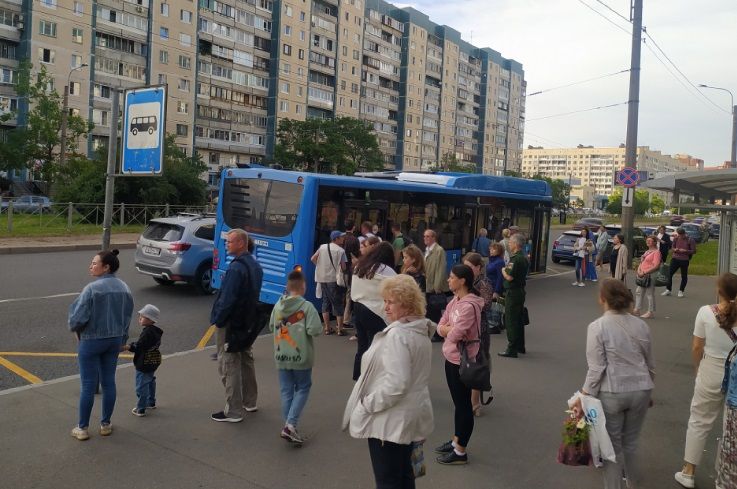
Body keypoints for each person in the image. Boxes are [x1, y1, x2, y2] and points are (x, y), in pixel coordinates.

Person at [342, 274, 434, 489]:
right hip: (410, 416)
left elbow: (397, 384)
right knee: (404, 475)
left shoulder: (398, 336)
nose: (386, 307)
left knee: (388, 481)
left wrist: (367, 403)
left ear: (407, 303)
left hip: (389, 423)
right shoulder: (420, 330)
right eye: (384, 301)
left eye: (390, 301)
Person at [575, 278, 655, 489]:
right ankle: (633, 484)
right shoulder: (642, 325)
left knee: (612, 448)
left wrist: (583, 396)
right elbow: (650, 364)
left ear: (602, 299)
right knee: (630, 444)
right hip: (641, 388)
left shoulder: (597, 327)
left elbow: (596, 368)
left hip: (612, 391)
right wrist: (649, 391)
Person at [676, 273, 737, 488]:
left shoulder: (705, 312)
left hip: (711, 367)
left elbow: (696, 347)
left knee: (699, 420)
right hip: (736, 374)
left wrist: (697, 367)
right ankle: (727, 475)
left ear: (719, 291)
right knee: (732, 429)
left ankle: (689, 471)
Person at [68, 249, 134, 440]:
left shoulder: (92, 288)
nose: (91, 266)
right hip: (114, 340)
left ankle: (82, 428)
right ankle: (105, 424)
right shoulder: (124, 287)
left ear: (106, 267)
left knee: (88, 385)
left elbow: (77, 318)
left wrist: (76, 330)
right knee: (109, 381)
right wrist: (122, 339)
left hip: (91, 340)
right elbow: (127, 317)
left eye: (95, 263)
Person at [210, 228, 264, 423]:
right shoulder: (255, 265)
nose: (226, 245)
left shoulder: (235, 268)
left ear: (241, 243)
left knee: (229, 362)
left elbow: (227, 299)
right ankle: (250, 401)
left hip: (232, 322)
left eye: (229, 242)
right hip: (248, 320)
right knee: (246, 358)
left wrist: (218, 318)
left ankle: (232, 410)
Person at [435, 264, 485, 465]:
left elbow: (455, 334)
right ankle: (457, 440)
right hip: (452, 358)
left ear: (462, 280)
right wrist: (446, 329)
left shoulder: (469, 306)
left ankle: (460, 451)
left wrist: (447, 330)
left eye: (451, 277)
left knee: (463, 405)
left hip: (462, 362)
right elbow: (440, 325)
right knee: (459, 404)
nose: (448, 280)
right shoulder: (455, 300)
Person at [269, 270, 322, 445]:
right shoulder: (307, 307)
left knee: (286, 391)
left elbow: (271, 326)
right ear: (303, 286)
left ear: (287, 287)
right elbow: (315, 330)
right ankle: (290, 425)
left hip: (281, 355)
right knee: (303, 387)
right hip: (301, 357)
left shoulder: (278, 305)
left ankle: (289, 426)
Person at [351, 242, 397, 380]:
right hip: (375, 312)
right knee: (375, 347)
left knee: (362, 346)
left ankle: (358, 377)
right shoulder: (386, 270)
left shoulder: (361, 266)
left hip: (358, 308)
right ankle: (371, 379)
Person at [463, 252, 494, 416]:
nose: (465, 270)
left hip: (480, 329)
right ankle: (465, 397)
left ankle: (475, 403)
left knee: (478, 363)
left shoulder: (484, 283)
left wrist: (469, 298)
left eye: (469, 267)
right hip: (465, 327)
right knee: (464, 361)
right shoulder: (464, 282)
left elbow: (486, 304)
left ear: (478, 268)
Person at [124, 304, 163, 417]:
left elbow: (139, 346)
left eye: (142, 316)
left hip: (144, 362)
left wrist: (127, 347)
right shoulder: (156, 331)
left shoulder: (147, 332)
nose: (139, 318)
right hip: (153, 360)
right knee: (150, 380)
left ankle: (141, 408)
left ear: (150, 319)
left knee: (141, 385)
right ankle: (151, 402)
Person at [311, 230, 348, 336]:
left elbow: (313, 258)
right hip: (334, 280)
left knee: (325, 302)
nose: (343, 238)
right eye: (341, 237)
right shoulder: (341, 251)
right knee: (337, 303)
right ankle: (340, 329)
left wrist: (319, 266)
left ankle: (327, 328)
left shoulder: (322, 247)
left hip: (322, 278)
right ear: (336, 239)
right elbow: (343, 267)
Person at [499, 234, 529, 358]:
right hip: (520, 291)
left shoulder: (515, 259)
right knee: (518, 320)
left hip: (513, 292)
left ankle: (511, 349)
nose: (509, 244)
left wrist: (503, 270)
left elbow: (509, 276)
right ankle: (520, 346)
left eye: (510, 242)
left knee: (511, 320)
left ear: (516, 244)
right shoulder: (524, 257)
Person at [424, 229, 450, 332]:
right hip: (427, 283)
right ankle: (436, 331)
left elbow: (440, 269)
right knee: (431, 309)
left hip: (433, 285)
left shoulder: (439, 250)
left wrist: (437, 286)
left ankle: (437, 332)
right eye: (424, 236)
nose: (425, 238)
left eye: (428, 236)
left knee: (434, 309)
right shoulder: (427, 249)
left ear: (434, 238)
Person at [663, 227, 696, 298]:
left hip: (684, 260)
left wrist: (685, 251)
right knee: (669, 274)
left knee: (684, 276)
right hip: (675, 258)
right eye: (679, 235)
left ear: (684, 234)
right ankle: (668, 289)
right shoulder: (676, 239)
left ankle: (681, 291)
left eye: (681, 235)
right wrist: (675, 249)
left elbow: (694, 251)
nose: (680, 236)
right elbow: (672, 247)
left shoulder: (690, 240)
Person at [634, 236, 662, 319]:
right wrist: (639, 271)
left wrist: (645, 272)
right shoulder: (647, 252)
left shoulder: (656, 252)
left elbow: (656, 265)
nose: (648, 242)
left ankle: (650, 312)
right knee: (639, 291)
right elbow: (642, 262)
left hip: (650, 275)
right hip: (642, 274)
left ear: (654, 242)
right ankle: (637, 309)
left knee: (649, 294)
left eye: (650, 241)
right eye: (647, 240)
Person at [342, 220, 362, 329]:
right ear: (353, 227)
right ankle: (345, 320)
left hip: (340, 270)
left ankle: (339, 319)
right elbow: (357, 255)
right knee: (349, 295)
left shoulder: (341, 238)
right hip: (350, 270)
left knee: (340, 293)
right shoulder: (355, 240)